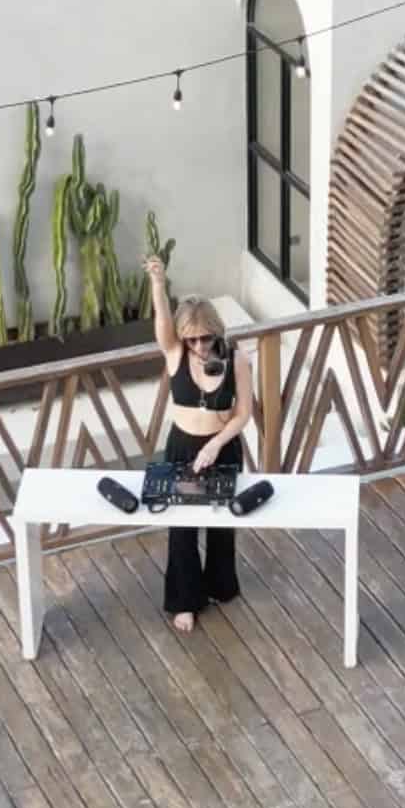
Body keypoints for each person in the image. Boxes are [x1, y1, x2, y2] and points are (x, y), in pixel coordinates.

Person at [144, 255, 253, 632]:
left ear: (216, 332)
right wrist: (158, 285)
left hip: (221, 445)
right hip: (183, 445)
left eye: (206, 337)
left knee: (222, 521)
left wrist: (217, 443)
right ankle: (185, 600)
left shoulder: (236, 360)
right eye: (192, 339)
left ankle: (221, 585)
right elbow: (162, 326)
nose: (200, 346)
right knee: (183, 525)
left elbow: (243, 414)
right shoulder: (176, 353)